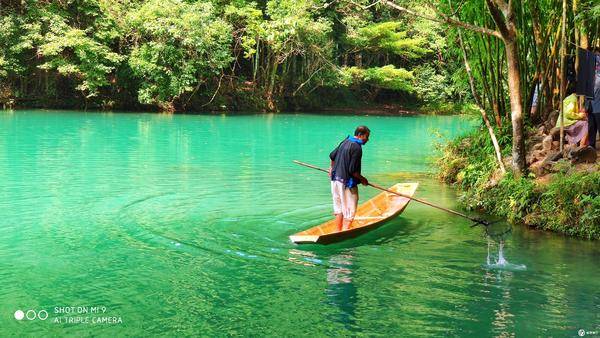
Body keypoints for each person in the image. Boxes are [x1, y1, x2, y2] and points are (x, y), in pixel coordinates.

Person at [328, 126, 370, 232]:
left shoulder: (345, 141)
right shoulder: (357, 147)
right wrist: (363, 179)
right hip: (347, 183)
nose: (368, 139)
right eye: (367, 137)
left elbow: (332, 156)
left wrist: (331, 168)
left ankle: (338, 231)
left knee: (339, 208)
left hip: (335, 180)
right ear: (361, 135)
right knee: (350, 209)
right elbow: (352, 171)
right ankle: (345, 231)